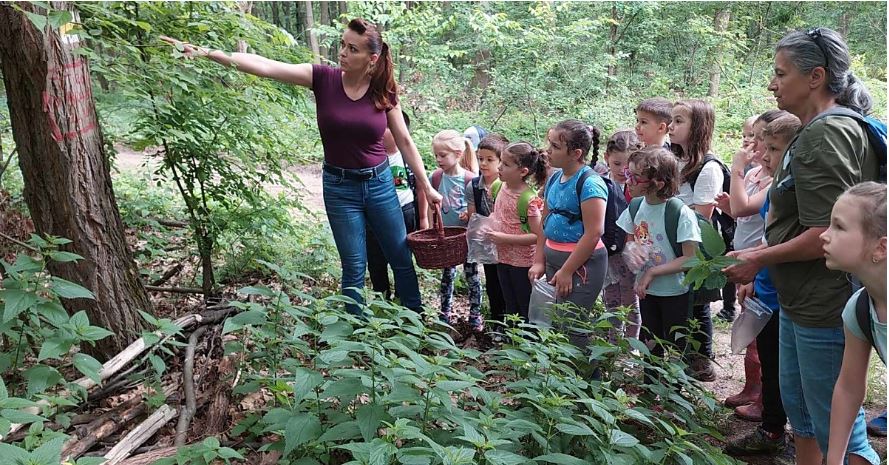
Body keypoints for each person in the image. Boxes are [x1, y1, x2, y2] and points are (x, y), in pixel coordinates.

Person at [160, 19, 442, 315]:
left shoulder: (383, 92)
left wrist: (426, 185)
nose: (342, 52)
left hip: (380, 184)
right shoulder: (322, 78)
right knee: (354, 264)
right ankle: (356, 332)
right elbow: (265, 65)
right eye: (342, 44)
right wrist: (208, 53)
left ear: (371, 58)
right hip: (339, 187)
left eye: (352, 48)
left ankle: (414, 321)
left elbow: (406, 142)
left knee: (399, 255)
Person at [725, 27, 880, 465]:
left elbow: (826, 235)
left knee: (839, 429)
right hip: (800, 299)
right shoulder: (817, 130)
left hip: (823, 302)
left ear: (815, 77)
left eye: (780, 73)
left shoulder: (824, 136)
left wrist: (757, 258)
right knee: (806, 418)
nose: (772, 84)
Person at [724, 113, 801, 457]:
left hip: (788, 296)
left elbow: (793, 243)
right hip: (766, 290)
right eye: (763, 146)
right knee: (771, 364)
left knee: (788, 370)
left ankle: (793, 434)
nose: (764, 155)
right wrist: (752, 267)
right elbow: (772, 239)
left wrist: (756, 259)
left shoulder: (795, 191)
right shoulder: (777, 189)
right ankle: (771, 430)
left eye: (773, 148)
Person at [717, 109, 786, 421]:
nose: (752, 144)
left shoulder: (775, 183)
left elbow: (746, 208)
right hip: (750, 263)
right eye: (754, 138)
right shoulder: (759, 175)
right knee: (753, 334)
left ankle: (764, 402)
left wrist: (736, 168)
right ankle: (753, 390)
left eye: (763, 141)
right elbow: (741, 213)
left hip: (762, 269)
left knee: (763, 340)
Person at [617, 146, 701, 383]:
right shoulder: (635, 206)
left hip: (675, 291)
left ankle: (674, 392)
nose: (627, 180)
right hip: (647, 290)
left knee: (676, 343)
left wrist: (652, 271)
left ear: (659, 184)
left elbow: (691, 258)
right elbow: (631, 237)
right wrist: (632, 250)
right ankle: (650, 387)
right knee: (649, 340)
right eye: (627, 172)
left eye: (635, 177)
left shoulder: (679, 212)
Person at [529, 120, 608, 349]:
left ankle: (586, 381)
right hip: (555, 262)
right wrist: (538, 261)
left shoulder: (590, 184)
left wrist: (567, 271)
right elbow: (546, 220)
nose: (548, 150)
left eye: (555, 146)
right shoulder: (554, 177)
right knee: (555, 325)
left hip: (582, 266)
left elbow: (594, 233)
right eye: (549, 144)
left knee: (573, 326)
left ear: (576, 153)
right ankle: (558, 379)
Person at [822, 182, 886, 465]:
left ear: (881, 246)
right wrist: (834, 461)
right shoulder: (860, 309)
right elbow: (848, 388)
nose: (824, 235)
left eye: (839, 226)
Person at [669, 99, 723, 382]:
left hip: (697, 244)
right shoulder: (675, 159)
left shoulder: (708, 167)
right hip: (673, 239)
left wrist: (668, 212)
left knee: (697, 303)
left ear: (698, 126)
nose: (671, 126)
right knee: (678, 299)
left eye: (679, 121)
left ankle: (701, 359)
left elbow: (703, 212)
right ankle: (678, 352)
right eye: (672, 120)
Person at [366, 111, 429, 301]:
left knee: (402, 257)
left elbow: (420, 187)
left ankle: (405, 301)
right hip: (374, 214)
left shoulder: (408, 157)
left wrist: (424, 218)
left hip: (404, 212)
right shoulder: (371, 157)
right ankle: (382, 299)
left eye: (385, 128)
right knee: (375, 259)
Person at [486, 142, 547, 323]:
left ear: (523, 171)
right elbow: (498, 214)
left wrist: (503, 238)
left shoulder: (528, 200)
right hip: (502, 257)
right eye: (501, 162)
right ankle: (512, 340)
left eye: (505, 164)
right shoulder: (498, 187)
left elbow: (538, 236)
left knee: (524, 304)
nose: (499, 167)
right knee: (509, 302)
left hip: (523, 263)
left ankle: (527, 343)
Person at [430, 130, 483, 331]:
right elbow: (430, 206)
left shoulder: (470, 179)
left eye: (443, 155)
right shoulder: (435, 177)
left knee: (472, 275)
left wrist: (469, 216)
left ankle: (475, 314)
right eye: (436, 155)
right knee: (447, 274)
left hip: (466, 238)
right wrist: (429, 228)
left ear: (459, 154)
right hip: (446, 238)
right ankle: (445, 311)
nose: (438, 159)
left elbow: (478, 210)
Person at [463, 134, 509, 331]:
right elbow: (474, 219)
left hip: (508, 241)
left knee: (508, 282)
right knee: (492, 282)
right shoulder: (473, 186)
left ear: (501, 162)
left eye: (490, 160)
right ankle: (496, 322)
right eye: (480, 158)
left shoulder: (508, 185)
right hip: (488, 242)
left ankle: (511, 324)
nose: (484, 163)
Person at [602, 130, 644, 338]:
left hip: (630, 252)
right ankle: (612, 337)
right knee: (610, 296)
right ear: (606, 158)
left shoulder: (638, 187)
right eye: (617, 164)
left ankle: (630, 343)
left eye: (627, 165)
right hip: (608, 250)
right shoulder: (601, 183)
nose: (622, 170)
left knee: (630, 298)